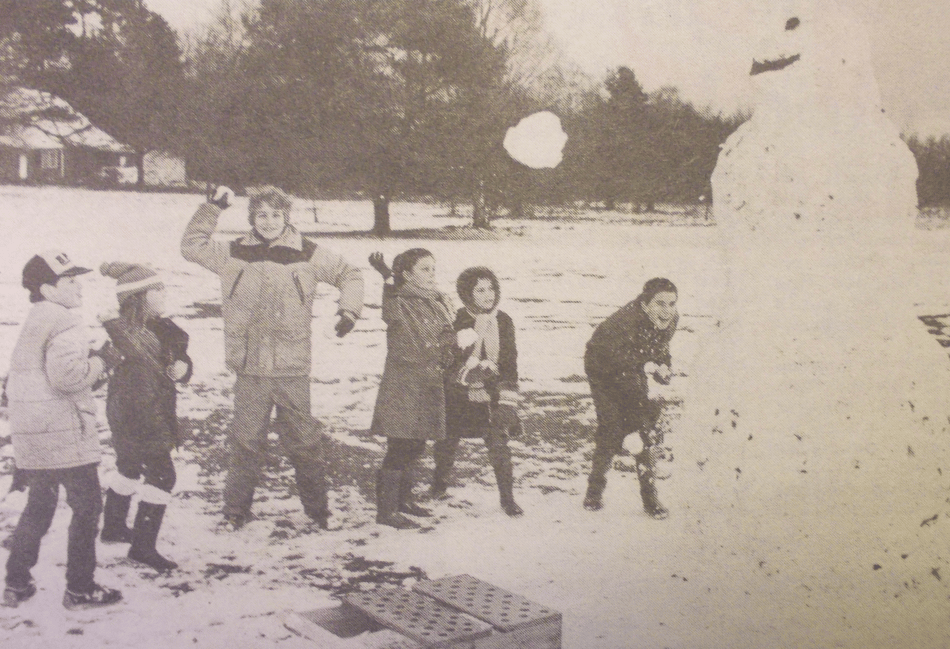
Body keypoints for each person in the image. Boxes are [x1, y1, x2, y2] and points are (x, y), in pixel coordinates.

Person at [181, 186, 364, 530]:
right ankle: (236, 511)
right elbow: (191, 246)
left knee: (304, 442)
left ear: (286, 217)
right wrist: (213, 208)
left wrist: (349, 312)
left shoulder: (307, 252)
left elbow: (350, 274)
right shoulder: (232, 252)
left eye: (276, 215)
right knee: (246, 441)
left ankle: (318, 511)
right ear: (251, 217)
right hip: (249, 368)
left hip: (291, 367)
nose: (268, 222)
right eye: (261, 215)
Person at [3, 251, 123, 610]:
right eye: (69, 280)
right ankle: (80, 589)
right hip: (65, 433)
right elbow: (66, 377)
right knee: (87, 509)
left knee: (39, 506)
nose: (79, 285)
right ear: (47, 289)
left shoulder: (36, 319)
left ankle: (16, 582)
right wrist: (103, 360)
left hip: (34, 432)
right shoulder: (67, 322)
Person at [98, 262, 192, 572]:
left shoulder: (157, 329)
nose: (164, 293)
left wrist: (183, 366)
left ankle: (113, 527)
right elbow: (136, 377)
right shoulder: (127, 336)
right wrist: (157, 426)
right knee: (163, 475)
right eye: (156, 289)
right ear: (138, 298)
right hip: (141, 412)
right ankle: (142, 547)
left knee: (128, 466)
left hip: (128, 412)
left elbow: (174, 356)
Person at [368, 249, 454, 529]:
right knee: (400, 446)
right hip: (404, 386)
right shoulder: (399, 301)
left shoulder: (437, 300)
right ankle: (386, 511)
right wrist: (388, 278)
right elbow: (391, 303)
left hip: (428, 383)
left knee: (416, 444)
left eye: (433, 268)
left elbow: (444, 334)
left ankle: (403, 500)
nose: (432, 275)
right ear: (407, 275)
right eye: (425, 269)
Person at [583, 278, 678, 519]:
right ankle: (594, 492)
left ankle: (650, 499)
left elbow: (661, 348)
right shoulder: (625, 322)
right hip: (602, 371)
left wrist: (664, 367)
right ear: (645, 304)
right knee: (611, 429)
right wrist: (647, 366)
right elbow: (614, 360)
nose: (666, 310)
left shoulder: (671, 319)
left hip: (632, 370)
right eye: (660, 303)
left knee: (643, 431)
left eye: (671, 303)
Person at [432, 266, 524, 517]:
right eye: (479, 290)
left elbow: (509, 362)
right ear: (467, 294)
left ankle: (507, 498)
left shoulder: (503, 321)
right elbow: (449, 360)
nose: (487, 295)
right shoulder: (457, 319)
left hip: (492, 396)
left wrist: (508, 400)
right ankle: (438, 483)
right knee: (448, 442)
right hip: (459, 396)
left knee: (499, 444)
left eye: (491, 288)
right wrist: (469, 367)